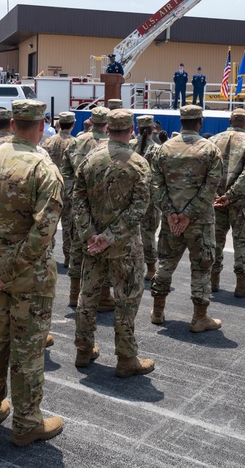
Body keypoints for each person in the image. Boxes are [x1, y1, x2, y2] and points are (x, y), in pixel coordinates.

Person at [0, 99, 65, 445]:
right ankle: (26, 423)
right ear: (41, 125)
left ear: (14, 122)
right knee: (27, 351)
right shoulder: (42, 168)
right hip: (27, 277)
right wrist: (7, 272)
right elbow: (42, 233)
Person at [72, 109, 155, 377]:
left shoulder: (90, 160)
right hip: (125, 247)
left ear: (107, 129)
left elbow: (78, 200)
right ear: (130, 131)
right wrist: (109, 237)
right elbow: (140, 208)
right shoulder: (138, 163)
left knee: (88, 298)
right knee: (126, 301)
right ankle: (126, 359)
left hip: (93, 245)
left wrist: (91, 235)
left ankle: (83, 351)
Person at [149, 105, 224, 331]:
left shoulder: (163, 149)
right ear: (200, 123)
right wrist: (188, 216)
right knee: (201, 267)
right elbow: (210, 189)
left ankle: (158, 311)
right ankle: (199, 317)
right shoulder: (210, 150)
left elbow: (155, 185)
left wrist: (172, 214)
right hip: (200, 221)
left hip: (170, 222)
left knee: (165, 264)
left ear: (181, 122)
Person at [60, 108, 113, 309]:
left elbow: (65, 170)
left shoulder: (77, 141)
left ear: (90, 120)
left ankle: (74, 294)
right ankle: (103, 297)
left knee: (77, 248)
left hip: (79, 205)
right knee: (103, 249)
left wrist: (75, 193)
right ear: (108, 124)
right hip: (104, 205)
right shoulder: (112, 144)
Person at [209, 109, 245, 297]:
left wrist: (217, 195)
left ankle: (213, 280)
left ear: (230, 120)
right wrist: (231, 195)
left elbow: (205, 171)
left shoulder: (213, 140)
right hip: (240, 202)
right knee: (242, 242)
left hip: (215, 201)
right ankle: (242, 285)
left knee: (215, 241)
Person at [42, 112, 77, 266]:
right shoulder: (75, 143)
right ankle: (69, 259)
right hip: (68, 190)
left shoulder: (48, 142)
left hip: (50, 188)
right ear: (73, 124)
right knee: (69, 227)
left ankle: (47, 255)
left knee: (49, 224)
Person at [131, 114, 160, 280]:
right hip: (149, 197)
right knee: (148, 233)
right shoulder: (156, 149)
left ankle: (133, 265)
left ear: (136, 128)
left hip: (129, 195)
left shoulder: (129, 146)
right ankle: (150, 268)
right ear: (153, 129)